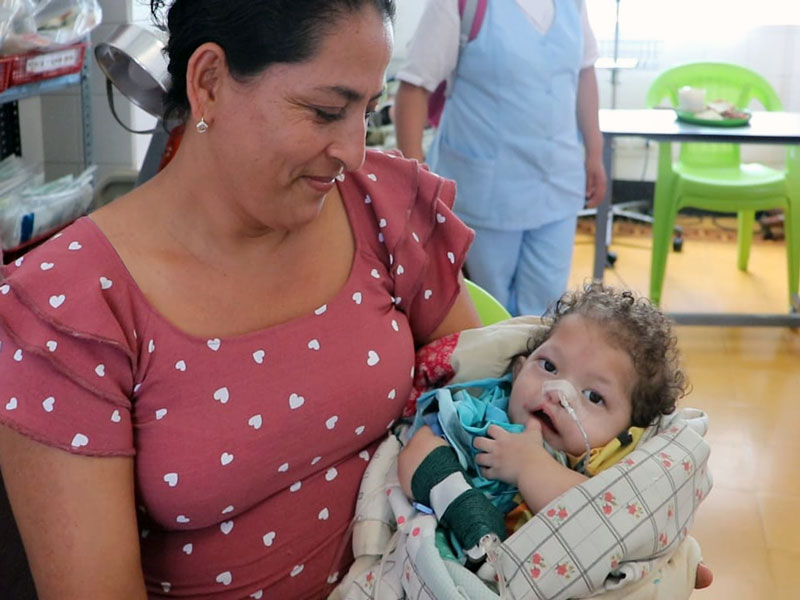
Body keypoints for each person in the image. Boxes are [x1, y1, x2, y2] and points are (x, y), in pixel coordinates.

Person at [0, 1, 485, 598]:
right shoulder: (72, 309)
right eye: (327, 111)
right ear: (208, 82)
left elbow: (483, 394)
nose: (354, 151)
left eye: (369, 110)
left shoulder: (382, 207)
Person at [398, 284, 688, 562]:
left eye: (593, 396)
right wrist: (438, 467)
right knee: (421, 446)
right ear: (519, 368)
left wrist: (529, 465)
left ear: (628, 430)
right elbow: (415, 449)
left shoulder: (608, 466)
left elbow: (600, 522)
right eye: (549, 366)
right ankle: (472, 521)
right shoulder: (485, 409)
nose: (558, 393)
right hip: (448, 552)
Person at [393, 0, 607, 317]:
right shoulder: (461, 5)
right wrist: (416, 181)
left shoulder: (572, 5)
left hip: (557, 183)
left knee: (546, 311)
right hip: (485, 191)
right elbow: (414, 88)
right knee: (487, 311)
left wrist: (595, 151)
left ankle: (534, 367)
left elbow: (584, 72)